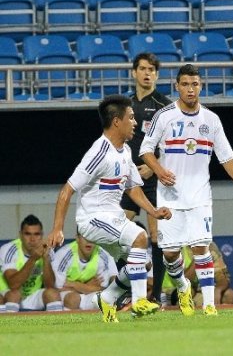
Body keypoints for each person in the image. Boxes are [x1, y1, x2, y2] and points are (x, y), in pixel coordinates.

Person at [139, 64, 233, 316]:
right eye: (185, 84)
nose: (190, 89)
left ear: (201, 86)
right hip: (170, 198)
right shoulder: (164, 116)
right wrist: (160, 171)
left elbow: (227, 157)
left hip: (199, 197)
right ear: (177, 87)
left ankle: (208, 305)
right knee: (171, 254)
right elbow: (145, 150)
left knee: (200, 248)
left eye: (194, 84)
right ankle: (183, 287)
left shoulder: (211, 120)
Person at [47, 94, 172, 323]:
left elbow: (133, 189)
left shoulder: (125, 151)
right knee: (141, 237)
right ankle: (139, 300)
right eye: (131, 118)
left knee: (141, 264)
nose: (135, 123)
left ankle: (107, 297)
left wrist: (153, 212)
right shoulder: (99, 152)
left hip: (111, 216)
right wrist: (57, 228)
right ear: (117, 121)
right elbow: (67, 190)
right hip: (91, 219)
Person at [120, 53, 172, 305]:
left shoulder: (165, 105)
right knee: (117, 235)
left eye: (151, 69)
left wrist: (154, 168)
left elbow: (172, 146)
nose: (147, 73)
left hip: (153, 180)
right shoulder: (123, 104)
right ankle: (128, 287)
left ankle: (155, 295)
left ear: (157, 74)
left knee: (156, 236)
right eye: (142, 68)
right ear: (134, 72)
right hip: (127, 180)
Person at [0, 215, 63, 312]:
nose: (32, 239)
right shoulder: (9, 250)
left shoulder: (48, 250)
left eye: (37, 234)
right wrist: (33, 259)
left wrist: (46, 259)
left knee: (52, 294)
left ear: (42, 235)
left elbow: (50, 285)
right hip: (7, 295)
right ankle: (10, 326)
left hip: (32, 296)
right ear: (20, 235)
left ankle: (57, 327)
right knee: (14, 294)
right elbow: (13, 285)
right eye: (28, 234)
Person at [52, 231, 118, 310]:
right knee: (73, 299)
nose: (89, 241)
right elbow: (56, 288)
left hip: (87, 295)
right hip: (66, 295)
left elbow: (103, 288)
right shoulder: (64, 254)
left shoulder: (102, 254)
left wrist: (75, 284)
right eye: (85, 236)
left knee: (105, 299)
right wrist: (88, 287)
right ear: (77, 238)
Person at [162, 242, 233, 307]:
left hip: (199, 290)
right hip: (173, 291)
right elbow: (183, 280)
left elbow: (222, 276)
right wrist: (199, 256)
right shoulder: (175, 247)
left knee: (230, 294)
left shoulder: (210, 246)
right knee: (188, 294)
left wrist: (218, 290)